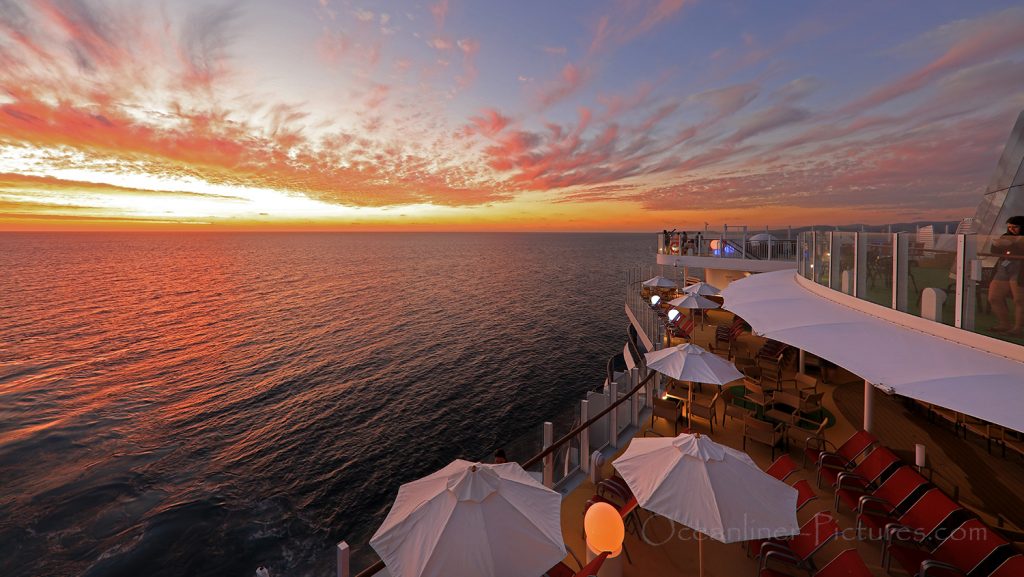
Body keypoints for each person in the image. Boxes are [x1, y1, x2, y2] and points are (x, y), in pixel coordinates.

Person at [988, 216, 1024, 335]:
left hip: (1021, 267)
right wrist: (998, 245)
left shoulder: (1012, 238)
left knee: (1019, 300)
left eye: (1015, 227)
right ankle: (1004, 324)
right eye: (1009, 227)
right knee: (994, 297)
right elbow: (995, 250)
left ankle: (1018, 328)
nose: (1011, 229)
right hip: (1004, 266)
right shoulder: (1005, 236)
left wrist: (1010, 243)